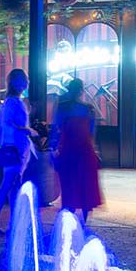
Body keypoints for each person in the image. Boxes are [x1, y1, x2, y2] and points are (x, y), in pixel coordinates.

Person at [0, 69, 37, 233]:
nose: (27, 83)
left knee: (12, 186)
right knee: (8, 184)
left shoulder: (13, 102)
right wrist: (27, 130)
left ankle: (12, 224)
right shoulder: (13, 102)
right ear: (16, 82)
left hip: (12, 148)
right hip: (12, 148)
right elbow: (9, 124)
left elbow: (4, 126)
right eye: (24, 80)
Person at [50, 77, 103, 222]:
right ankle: (82, 220)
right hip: (83, 150)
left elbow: (56, 128)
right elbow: (92, 132)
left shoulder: (62, 107)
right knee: (85, 184)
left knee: (70, 182)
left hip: (70, 150)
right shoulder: (88, 109)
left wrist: (53, 148)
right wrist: (95, 150)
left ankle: (69, 214)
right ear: (81, 91)